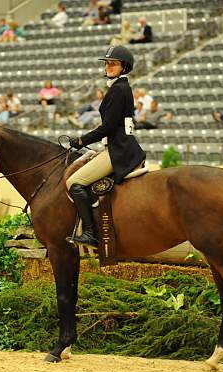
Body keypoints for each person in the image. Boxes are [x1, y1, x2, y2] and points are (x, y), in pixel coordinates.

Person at [66, 46, 145, 247]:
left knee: (74, 182)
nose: (108, 66)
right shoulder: (120, 88)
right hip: (120, 145)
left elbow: (108, 127)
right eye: (107, 63)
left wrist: (81, 140)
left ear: (123, 67)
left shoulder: (118, 90)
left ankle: (90, 233)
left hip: (119, 150)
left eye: (113, 63)